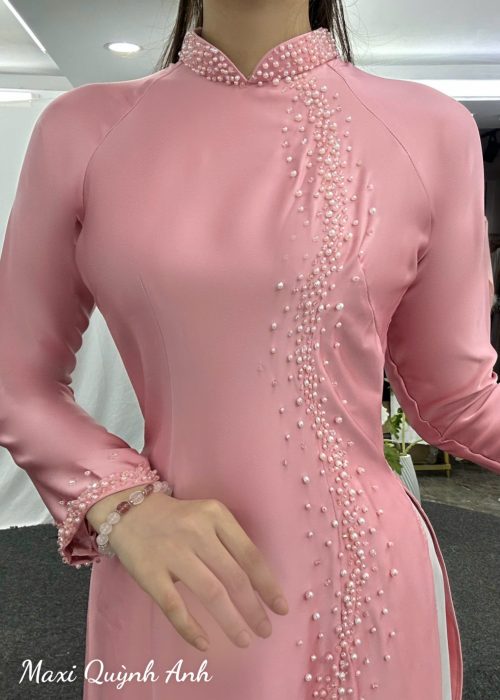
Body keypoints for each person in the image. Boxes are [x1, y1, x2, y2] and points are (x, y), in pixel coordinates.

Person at [0, 1, 498, 699]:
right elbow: (16, 376)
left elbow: (457, 398)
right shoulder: (83, 129)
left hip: (369, 585)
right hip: (178, 574)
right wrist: (122, 504)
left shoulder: (432, 129)